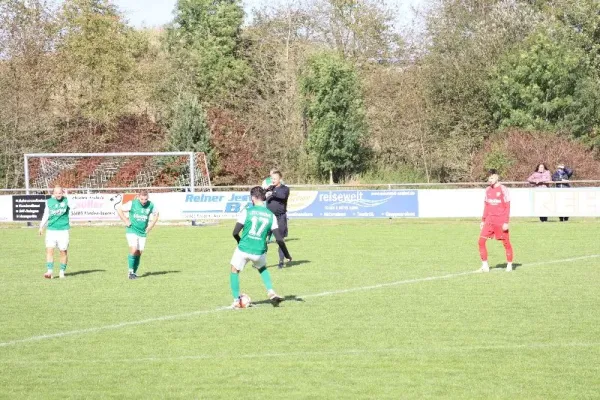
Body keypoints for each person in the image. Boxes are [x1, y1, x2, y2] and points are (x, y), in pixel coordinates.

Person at [230, 186, 291, 308]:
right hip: (259, 251)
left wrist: (239, 242)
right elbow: (279, 239)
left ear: (252, 198)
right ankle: (271, 291)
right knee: (262, 268)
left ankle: (237, 300)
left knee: (234, 270)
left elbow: (235, 232)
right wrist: (287, 255)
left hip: (244, 248)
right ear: (263, 198)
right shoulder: (270, 215)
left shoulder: (247, 211)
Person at [117, 190, 159, 279]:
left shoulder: (151, 205)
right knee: (134, 249)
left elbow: (156, 214)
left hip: (142, 232)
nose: (144, 201)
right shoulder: (132, 203)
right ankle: (130, 271)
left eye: (145, 199)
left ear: (148, 198)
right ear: (138, 197)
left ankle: (134, 273)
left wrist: (150, 226)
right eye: (142, 199)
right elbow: (119, 209)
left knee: (139, 253)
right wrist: (126, 220)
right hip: (132, 230)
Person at [479, 172, 514, 272]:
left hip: (500, 221)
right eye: (489, 178)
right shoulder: (488, 190)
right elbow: (486, 205)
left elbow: (507, 206)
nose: (490, 180)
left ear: (497, 178)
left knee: (506, 243)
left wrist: (506, 222)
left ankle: (509, 265)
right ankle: (485, 266)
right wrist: (483, 220)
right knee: (481, 242)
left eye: (492, 178)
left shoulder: (503, 189)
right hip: (489, 221)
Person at [39, 186, 74, 279]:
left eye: (60, 192)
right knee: (49, 250)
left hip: (63, 230)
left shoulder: (67, 201)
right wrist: (41, 226)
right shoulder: (49, 202)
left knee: (63, 251)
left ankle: (62, 272)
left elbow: (74, 206)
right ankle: (49, 271)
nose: (58, 194)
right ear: (53, 193)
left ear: (62, 193)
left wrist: (68, 197)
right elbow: (46, 214)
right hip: (51, 230)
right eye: (56, 193)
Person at [265, 171, 290, 269]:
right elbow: (263, 198)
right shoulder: (270, 188)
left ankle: (281, 261)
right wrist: (264, 192)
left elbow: (282, 196)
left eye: (275, 178)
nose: (273, 180)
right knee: (263, 240)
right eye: (272, 178)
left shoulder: (285, 189)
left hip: (280, 217)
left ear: (280, 179)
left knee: (280, 240)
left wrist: (273, 193)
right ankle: (260, 262)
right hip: (269, 218)